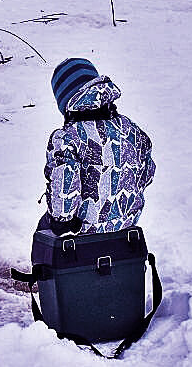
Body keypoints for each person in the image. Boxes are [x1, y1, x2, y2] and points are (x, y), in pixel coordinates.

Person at [40, 58, 155, 235]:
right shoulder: (131, 129)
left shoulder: (67, 138)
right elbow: (147, 173)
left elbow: (65, 187)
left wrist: (62, 223)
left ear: (64, 101)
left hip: (83, 235)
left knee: (44, 231)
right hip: (126, 229)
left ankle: (42, 264)